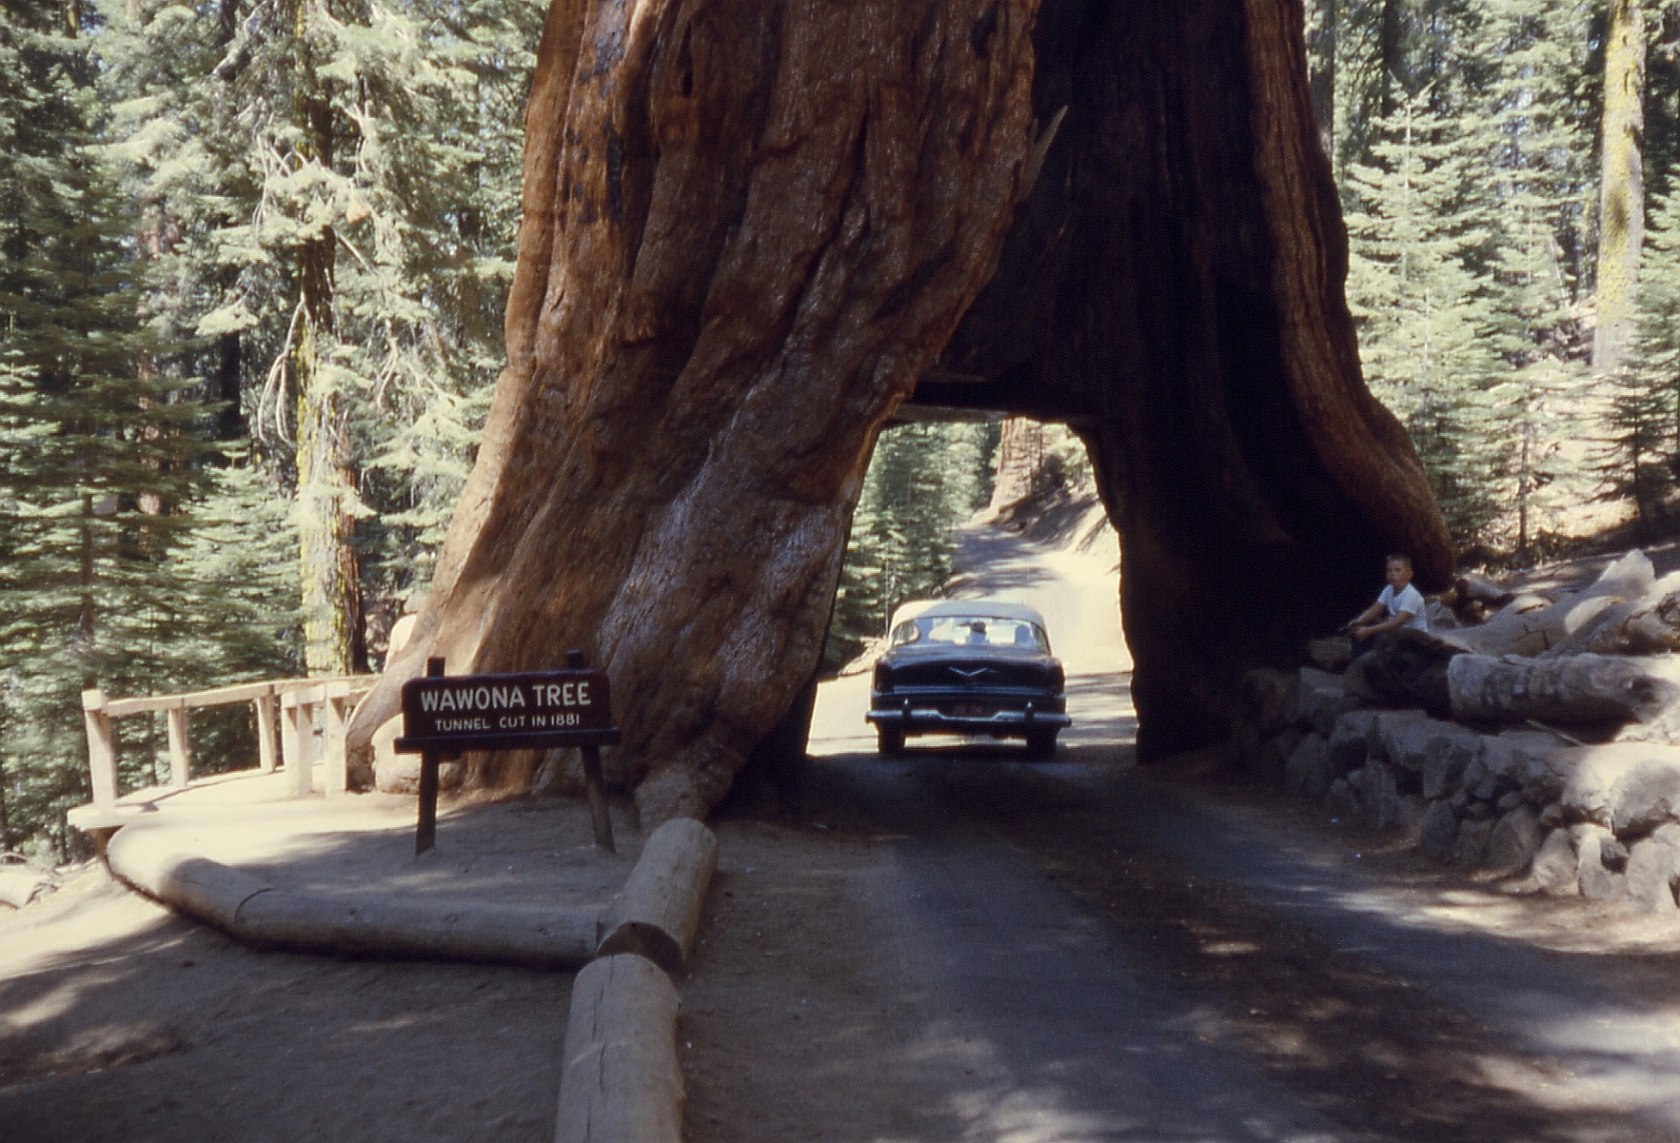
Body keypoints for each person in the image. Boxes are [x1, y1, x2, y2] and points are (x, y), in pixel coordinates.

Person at [1345, 552, 1428, 643]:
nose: (1392, 574)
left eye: (1397, 570)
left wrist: (1368, 630)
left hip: (1414, 638)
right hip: (1397, 633)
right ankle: (1359, 656)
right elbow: (1374, 610)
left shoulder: (1411, 595)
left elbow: (1398, 622)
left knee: (1377, 637)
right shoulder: (1388, 589)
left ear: (1409, 574)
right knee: (1358, 632)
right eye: (1389, 570)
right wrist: (1358, 621)